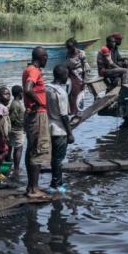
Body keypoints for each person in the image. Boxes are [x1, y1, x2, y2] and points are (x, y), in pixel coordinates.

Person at [23, 47, 51, 198]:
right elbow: (28, 89)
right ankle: (33, 189)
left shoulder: (28, 69)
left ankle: (31, 186)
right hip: (37, 115)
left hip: (31, 114)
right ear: (43, 57)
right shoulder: (34, 71)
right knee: (37, 150)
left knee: (31, 149)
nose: (47, 60)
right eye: (46, 57)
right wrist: (40, 102)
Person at [46, 65, 75, 194]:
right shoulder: (61, 93)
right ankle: (55, 184)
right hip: (59, 130)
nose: (67, 77)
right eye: (66, 75)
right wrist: (70, 133)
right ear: (62, 76)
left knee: (54, 158)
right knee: (58, 159)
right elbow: (64, 116)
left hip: (48, 127)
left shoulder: (46, 88)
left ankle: (57, 182)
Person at [64, 38, 90, 115]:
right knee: (70, 94)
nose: (69, 49)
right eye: (68, 47)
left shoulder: (81, 53)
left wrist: (84, 80)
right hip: (70, 76)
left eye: (70, 47)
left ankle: (78, 111)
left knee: (78, 94)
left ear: (75, 46)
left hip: (79, 76)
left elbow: (85, 68)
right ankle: (71, 111)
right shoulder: (68, 53)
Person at [8, 85, 25, 176]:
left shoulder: (16, 103)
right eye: (22, 92)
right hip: (17, 129)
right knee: (19, 148)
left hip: (17, 129)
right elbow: (12, 117)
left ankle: (13, 166)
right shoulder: (16, 104)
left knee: (14, 147)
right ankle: (16, 168)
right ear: (19, 93)